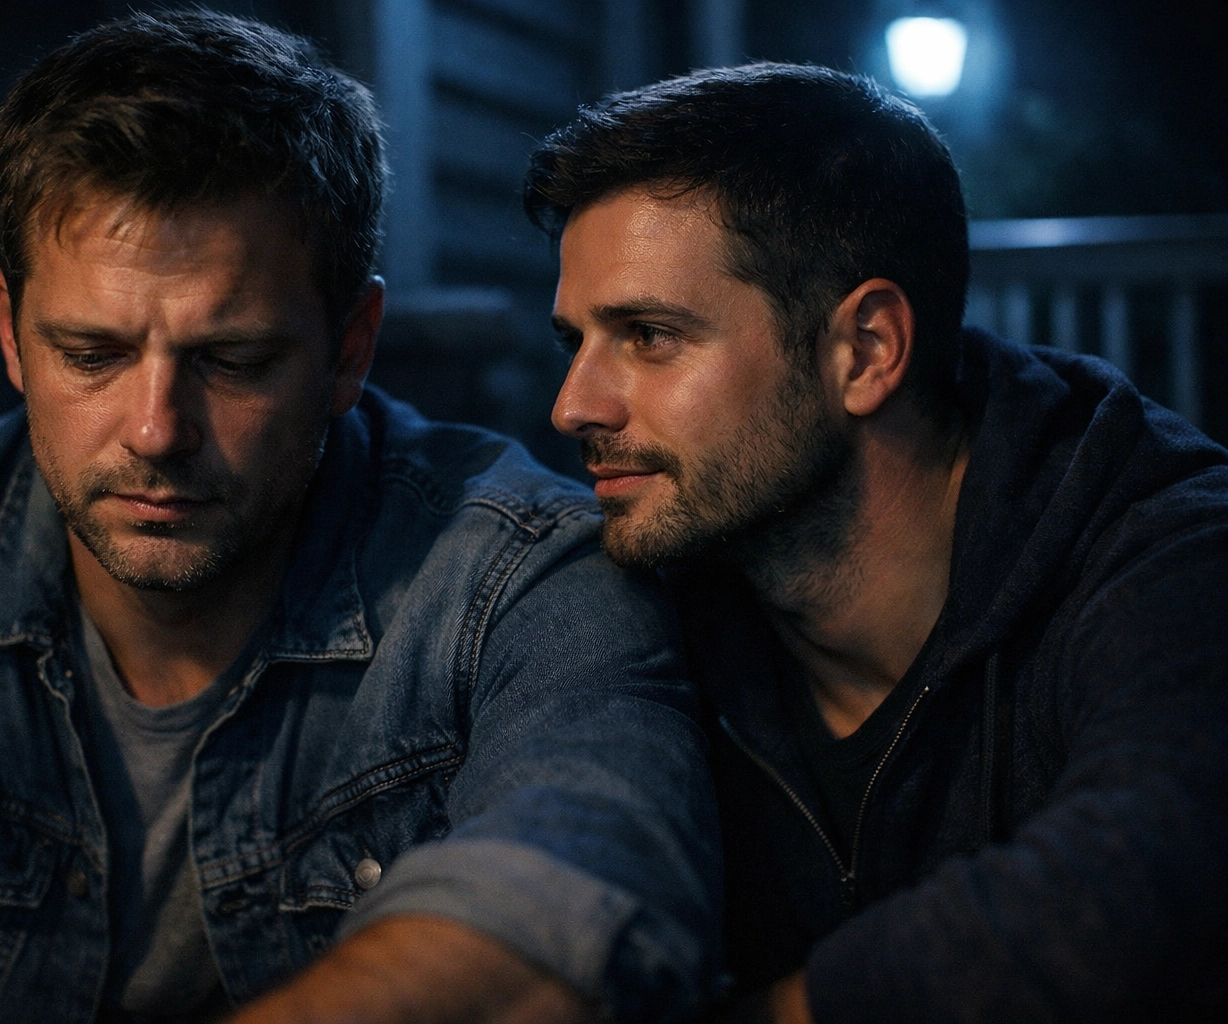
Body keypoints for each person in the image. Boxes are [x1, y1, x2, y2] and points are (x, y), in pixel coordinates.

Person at [0, 10, 724, 1022]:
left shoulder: (517, 578)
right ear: (9, 330)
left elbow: (574, 909)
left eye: (231, 361)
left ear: (350, 348)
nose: (155, 430)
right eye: (90, 354)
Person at [526, 62, 1228, 1022]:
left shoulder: (1166, 547)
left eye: (649, 335)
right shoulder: (640, 606)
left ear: (866, 351)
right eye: (575, 343)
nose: (574, 406)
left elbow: (1150, 876)